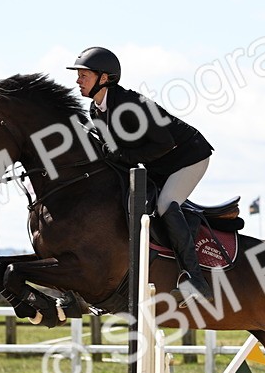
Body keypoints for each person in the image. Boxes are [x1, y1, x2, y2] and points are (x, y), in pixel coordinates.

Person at [67, 46, 215, 304]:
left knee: (165, 205)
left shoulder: (130, 105)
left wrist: (122, 156)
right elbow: (112, 152)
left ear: (103, 78)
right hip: (160, 164)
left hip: (188, 156)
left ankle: (195, 280)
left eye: (84, 75)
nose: (78, 81)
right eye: (79, 76)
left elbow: (164, 144)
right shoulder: (95, 111)